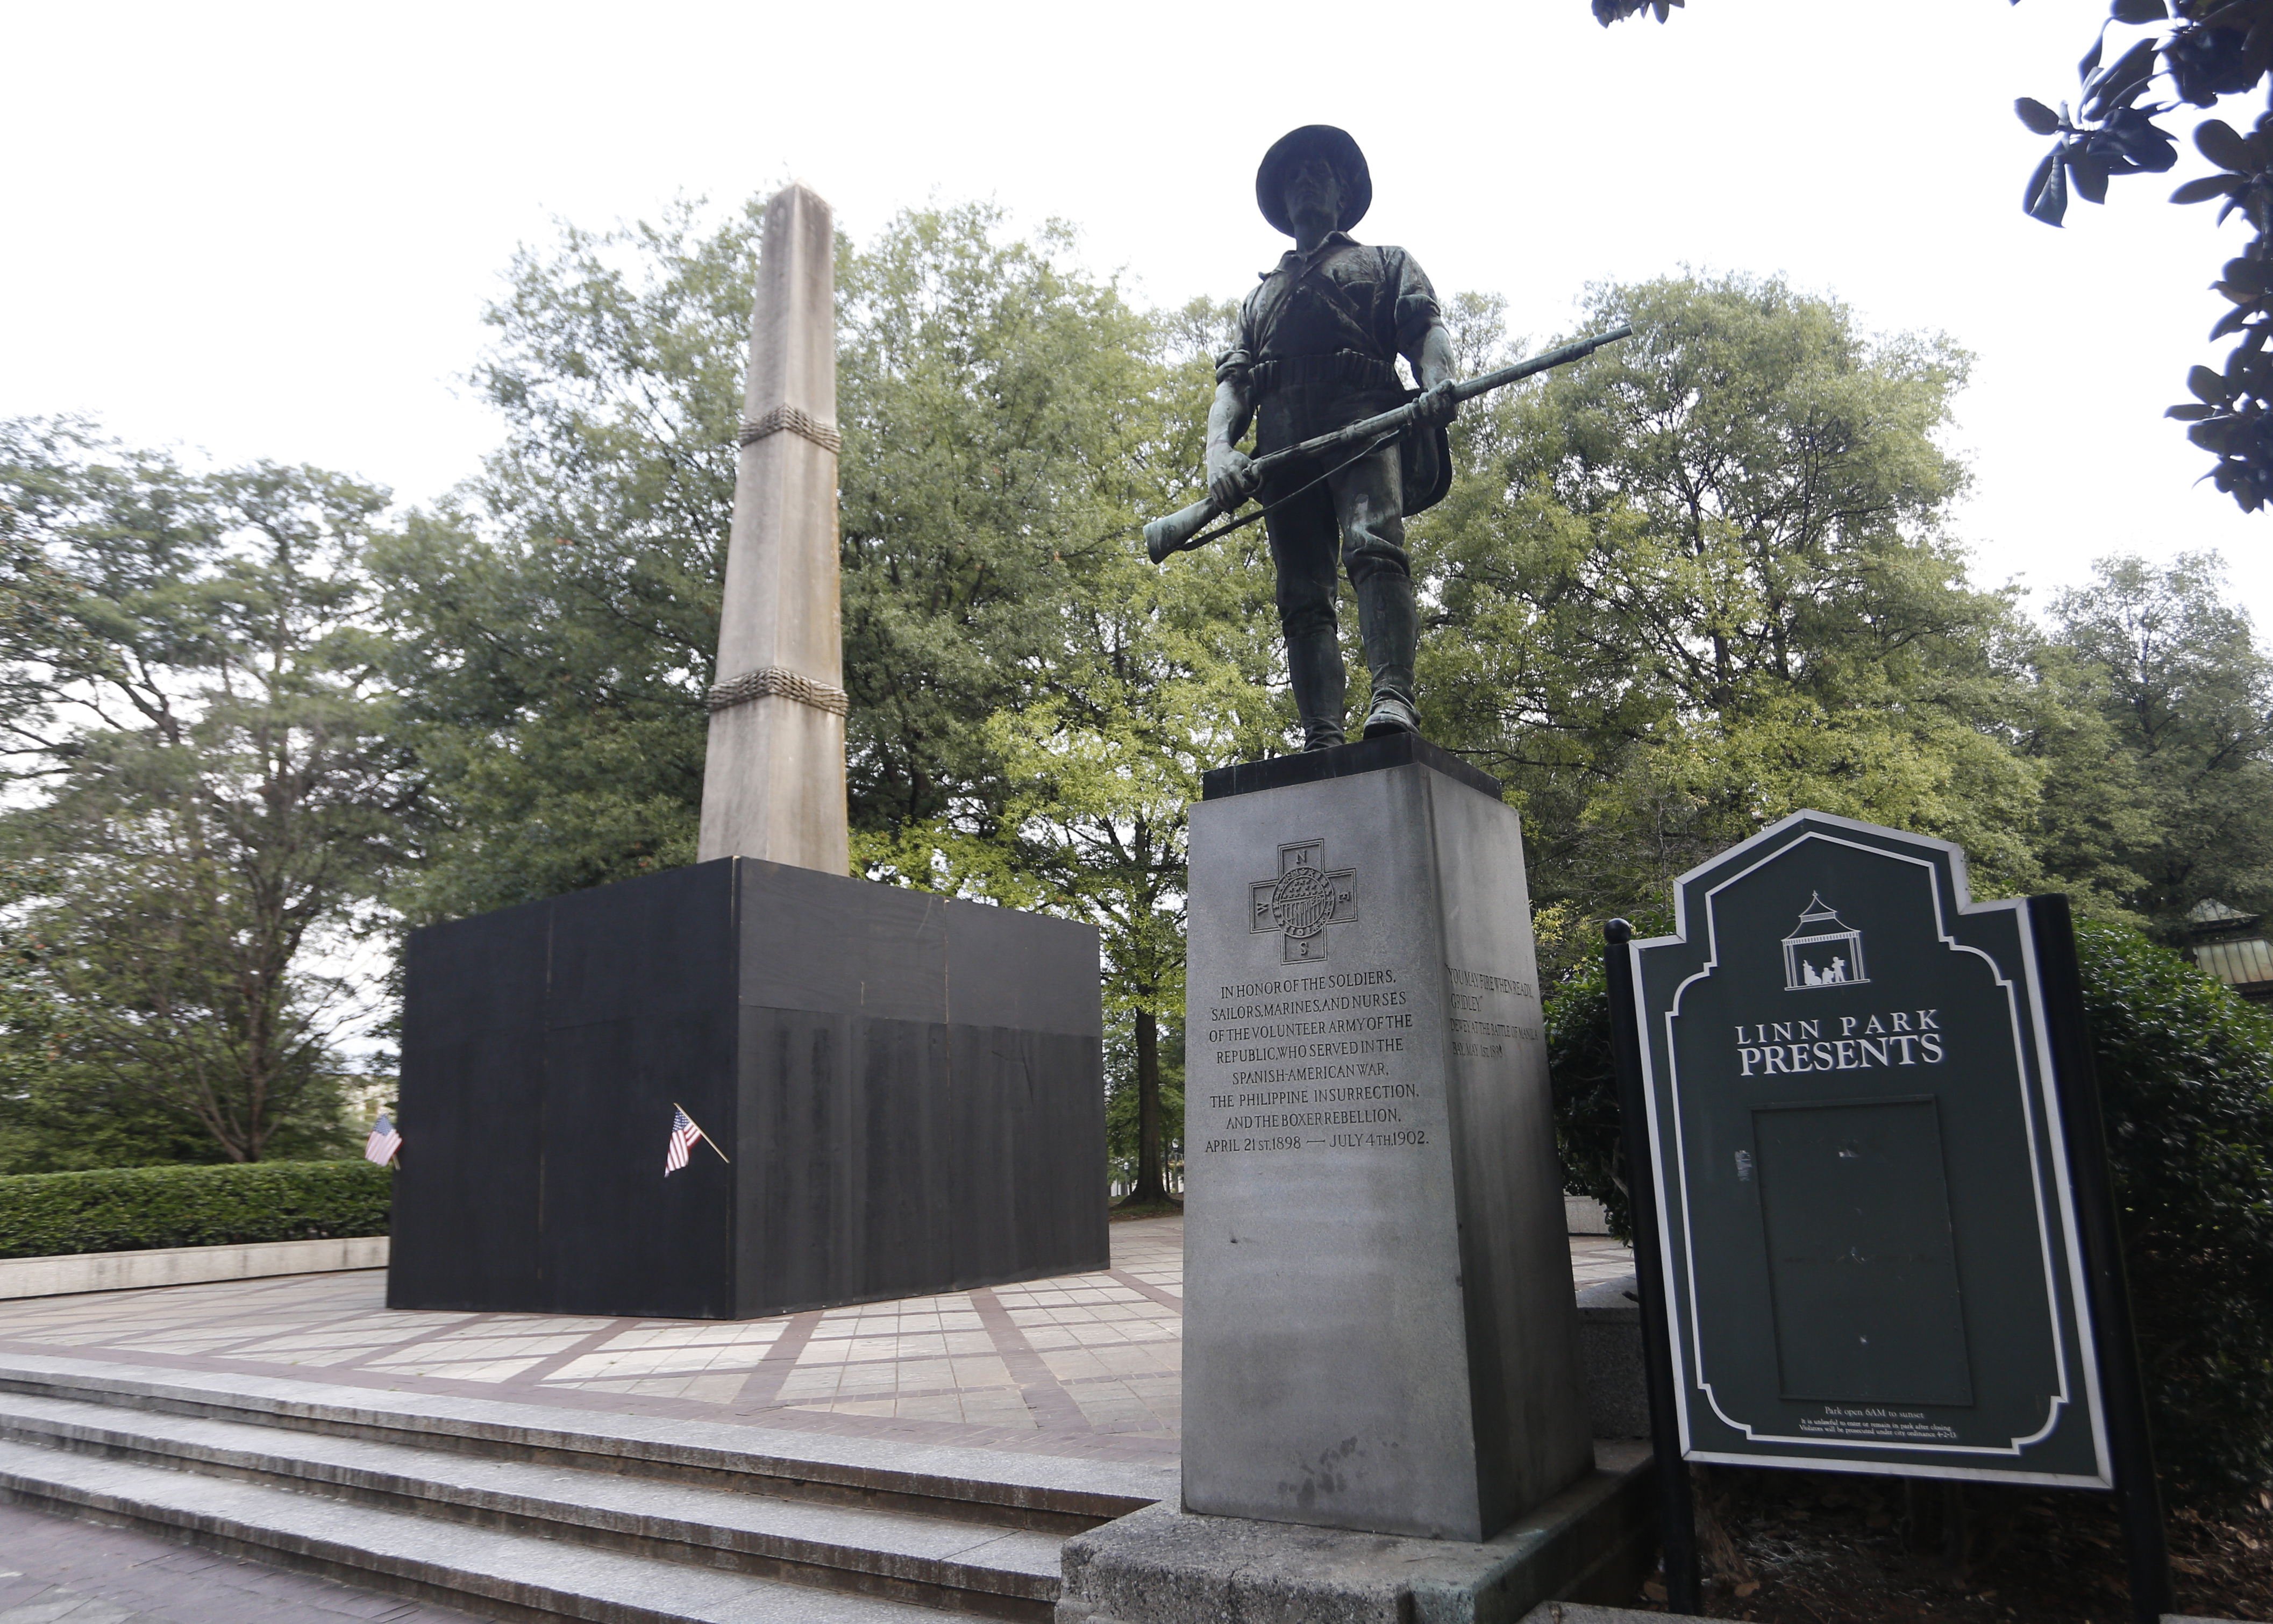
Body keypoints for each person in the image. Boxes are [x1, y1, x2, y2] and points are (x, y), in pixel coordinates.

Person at [1204, 125, 1460, 749]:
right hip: (1285, 450)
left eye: (1316, 171)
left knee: (1375, 549)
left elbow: (1426, 331)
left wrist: (1438, 381)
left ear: (1343, 191)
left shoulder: (1383, 262)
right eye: (1292, 176)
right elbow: (1234, 388)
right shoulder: (1258, 297)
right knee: (1300, 593)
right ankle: (1320, 728)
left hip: (1364, 424)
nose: (1303, 182)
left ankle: (1393, 696)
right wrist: (1218, 449)